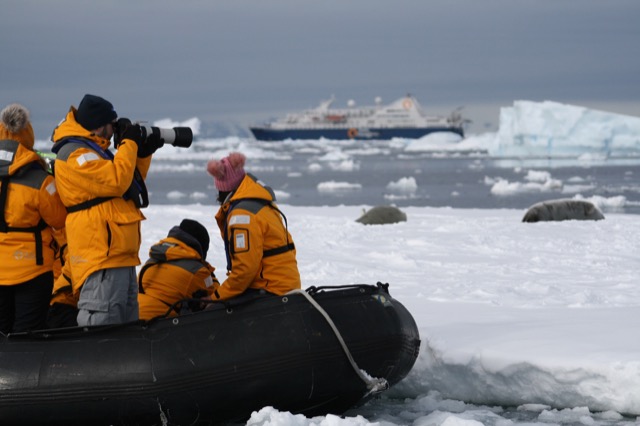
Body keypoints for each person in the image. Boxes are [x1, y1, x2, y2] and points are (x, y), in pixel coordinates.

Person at [50, 94, 162, 326]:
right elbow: (117, 180)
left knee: (125, 327)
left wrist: (142, 153)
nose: (113, 132)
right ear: (99, 125)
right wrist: (129, 142)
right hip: (100, 255)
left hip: (118, 254)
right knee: (102, 323)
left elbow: (128, 182)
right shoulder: (75, 154)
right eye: (112, 125)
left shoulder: (94, 151)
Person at [0, 103, 67, 333]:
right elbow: (60, 219)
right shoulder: (41, 181)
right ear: (28, 136)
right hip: (33, 270)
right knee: (26, 336)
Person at [205, 152, 301, 301]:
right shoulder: (261, 204)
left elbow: (245, 270)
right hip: (285, 285)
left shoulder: (242, 216)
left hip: (270, 289)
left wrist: (215, 298)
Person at [138, 219, 220, 320]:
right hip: (156, 326)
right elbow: (216, 295)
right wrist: (209, 271)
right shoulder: (197, 271)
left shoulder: (154, 258)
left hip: (132, 317)